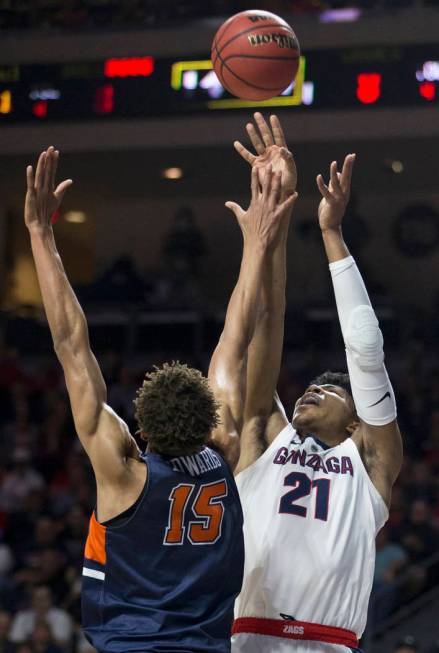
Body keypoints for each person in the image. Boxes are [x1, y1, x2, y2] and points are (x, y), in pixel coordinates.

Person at [23, 146, 292, 652]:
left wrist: (41, 233)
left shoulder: (122, 472)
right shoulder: (225, 449)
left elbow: (69, 343)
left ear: (138, 430)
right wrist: (256, 243)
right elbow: (236, 335)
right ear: (212, 419)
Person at [209, 113, 403, 652]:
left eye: (330, 389)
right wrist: (273, 222)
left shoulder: (371, 465)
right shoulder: (264, 436)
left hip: (330, 642)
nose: (311, 390)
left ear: (358, 420)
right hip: (247, 638)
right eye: (311, 385)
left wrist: (331, 231)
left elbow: (366, 354)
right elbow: (269, 319)